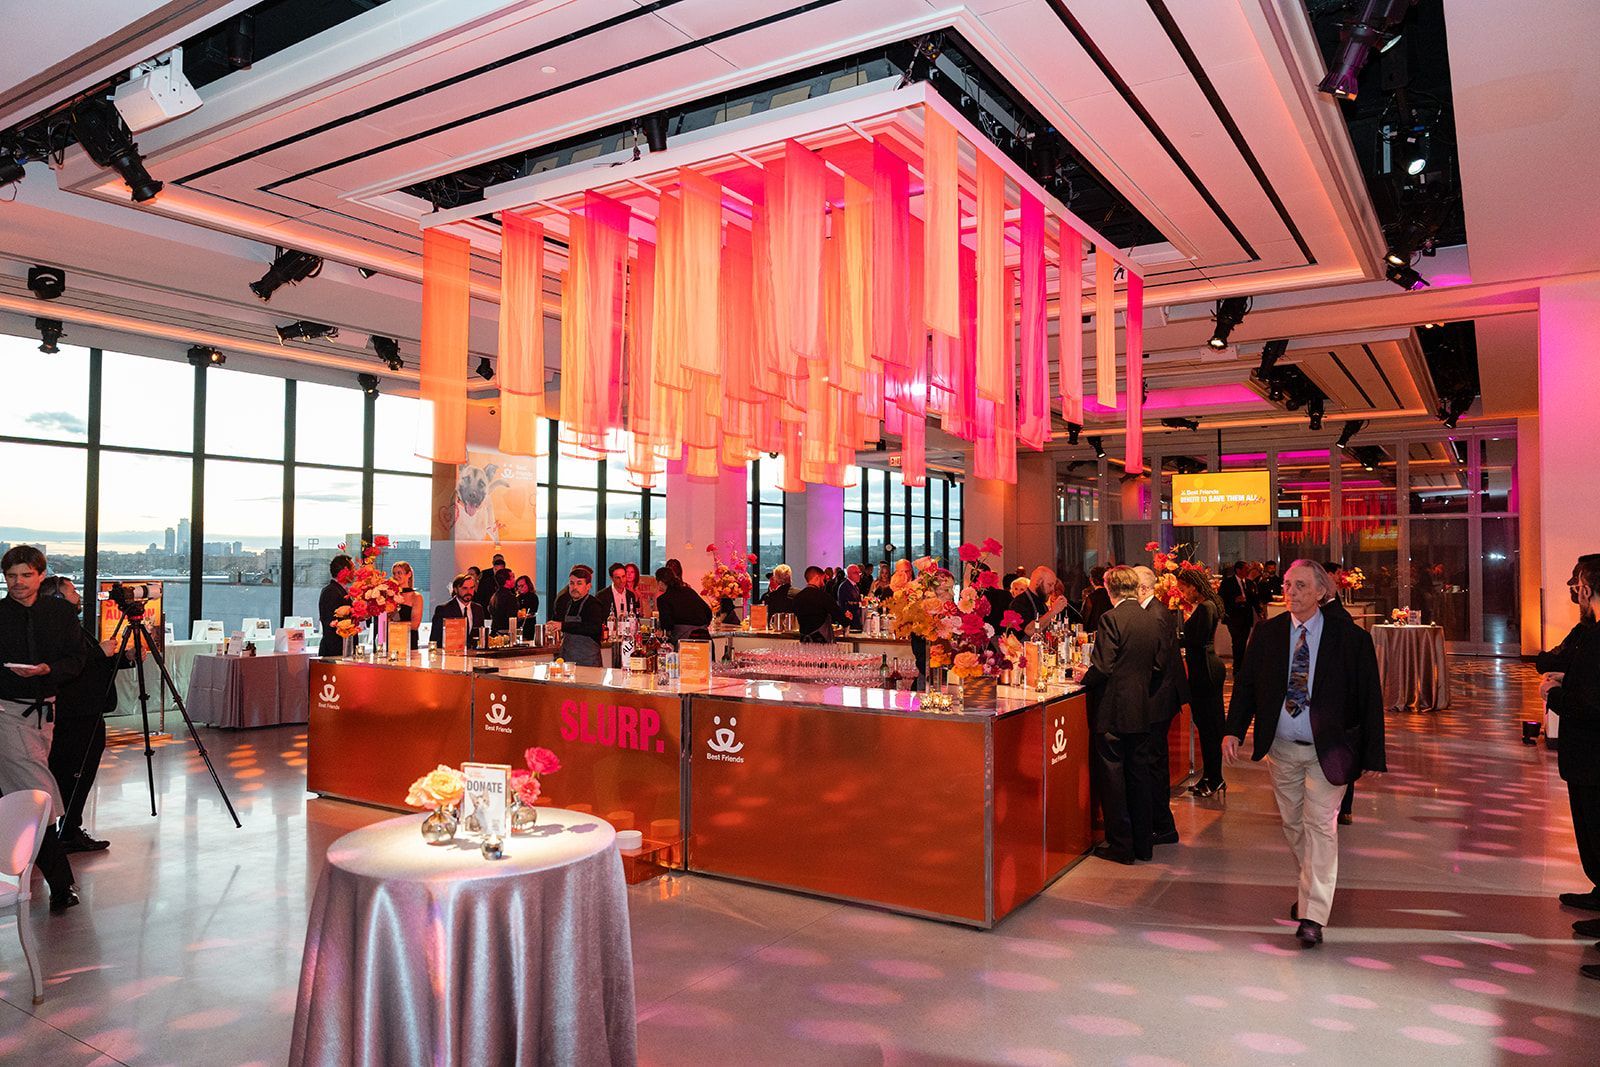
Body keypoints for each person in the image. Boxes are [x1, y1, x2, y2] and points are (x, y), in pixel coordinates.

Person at [1223, 559, 1385, 948]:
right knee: (1293, 825)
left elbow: (1369, 699)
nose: (1290, 592)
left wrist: (1374, 754)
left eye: (1299, 586)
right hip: (1281, 749)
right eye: (1287, 584)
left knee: (1320, 827)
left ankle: (1313, 915)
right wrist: (1233, 730)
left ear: (1320, 592)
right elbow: (1246, 685)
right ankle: (1310, 887)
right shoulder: (1268, 633)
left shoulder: (1349, 638)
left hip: (1328, 750)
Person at [0, 545, 86, 911]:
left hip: (43, 715)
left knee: (19, 794)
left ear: (40, 574)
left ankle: (31, 879)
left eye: (25, 575)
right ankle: (61, 884)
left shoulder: (61, 614)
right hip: (6, 711)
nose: (17, 583)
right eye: (11, 576)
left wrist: (47, 670)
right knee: (36, 794)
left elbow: (77, 659)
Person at [1075, 565, 1170, 864]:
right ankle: (1143, 845)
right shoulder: (1150, 617)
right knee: (1139, 778)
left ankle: (1120, 846)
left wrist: (1082, 677)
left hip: (1113, 710)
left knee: (1114, 780)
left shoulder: (1111, 619)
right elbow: (1158, 665)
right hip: (1142, 708)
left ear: (1110, 588)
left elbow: (1102, 667)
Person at [1542, 556, 1600, 944]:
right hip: (1587, 756)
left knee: (1596, 830)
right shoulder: (1590, 632)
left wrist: (1556, 692)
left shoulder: (1595, 634)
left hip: (1593, 756)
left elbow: (1591, 704)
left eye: (1578, 582)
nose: (1574, 589)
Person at [40, 576, 120, 854]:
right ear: (58, 599)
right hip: (74, 714)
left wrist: (125, 658)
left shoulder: (73, 626)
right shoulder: (54, 629)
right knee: (71, 773)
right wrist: (99, 653)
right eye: (72, 591)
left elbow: (90, 663)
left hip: (88, 710)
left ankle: (69, 827)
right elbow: (69, 667)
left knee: (80, 774)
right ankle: (64, 831)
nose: (78, 596)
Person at [1134, 566, 1189, 848]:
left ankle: (1162, 825)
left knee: (1154, 764)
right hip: (1162, 697)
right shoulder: (1156, 612)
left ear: (1143, 589)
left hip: (1158, 698)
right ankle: (1159, 822)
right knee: (1155, 762)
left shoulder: (1154, 615)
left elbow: (1156, 663)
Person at [1176, 568, 1227, 799]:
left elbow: (1196, 639)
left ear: (1194, 587)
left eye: (1184, 588)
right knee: (1207, 728)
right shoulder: (1206, 606)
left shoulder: (1206, 607)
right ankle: (1211, 776)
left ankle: (1214, 778)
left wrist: (1174, 638)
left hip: (1205, 671)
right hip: (1203, 668)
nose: (1183, 593)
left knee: (1209, 729)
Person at [550, 565, 606, 667]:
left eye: (579, 583)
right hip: (567, 660)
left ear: (588, 586)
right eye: (572, 583)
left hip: (589, 662)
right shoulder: (566, 603)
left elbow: (593, 628)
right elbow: (558, 621)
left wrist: (563, 626)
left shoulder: (593, 604)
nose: (574, 587)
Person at [655, 566, 712, 644]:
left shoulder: (663, 599)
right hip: (704, 638)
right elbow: (708, 612)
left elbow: (667, 625)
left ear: (660, 582)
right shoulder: (689, 591)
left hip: (685, 642)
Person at [1009, 566, 1071, 636]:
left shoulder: (1041, 602)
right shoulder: (1019, 602)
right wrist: (1053, 611)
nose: (1052, 589)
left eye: (1053, 585)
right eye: (1050, 585)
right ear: (1038, 582)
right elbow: (1030, 631)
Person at [429, 572, 485, 649]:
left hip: (473, 657)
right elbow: (434, 639)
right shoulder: (443, 610)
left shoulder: (478, 609)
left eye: (472, 588)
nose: (469, 592)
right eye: (464, 588)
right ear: (455, 589)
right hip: (450, 656)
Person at [791, 566, 845, 643]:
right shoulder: (823, 597)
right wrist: (847, 618)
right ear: (817, 577)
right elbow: (841, 618)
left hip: (804, 642)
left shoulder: (797, 597)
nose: (823, 583)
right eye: (822, 580)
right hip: (822, 642)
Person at [1219, 561, 1254, 672]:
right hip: (1233, 617)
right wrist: (1234, 600)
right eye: (1245, 569)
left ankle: (1241, 665)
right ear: (1238, 570)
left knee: (1243, 641)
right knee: (1237, 641)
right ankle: (1238, 667)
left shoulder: (1249, 583)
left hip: (1246, 617)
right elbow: (1221, 599)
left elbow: (1253, 599)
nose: (1247, 571)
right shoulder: (1227, 583)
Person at [317, 554, 354, 657]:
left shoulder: (341, 590)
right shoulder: (331, 591)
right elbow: (329, 621)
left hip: (343, 646)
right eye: (353, 569)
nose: (354, 573)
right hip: (335, 648)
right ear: (345, 570)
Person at [390, 561, 423, 649]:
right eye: (394, 573)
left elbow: (415, 624)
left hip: (409, 640)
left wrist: (396, 627)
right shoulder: (389, 595)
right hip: (391, 638)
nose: (396, 576)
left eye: (399, 573)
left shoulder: (416, 596)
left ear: (409, 574)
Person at [1081, 566, 1113, 634]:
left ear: (1091, 580)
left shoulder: (1091, 597)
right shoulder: (1111, 595)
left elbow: (1084, 619)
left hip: (1094, 633)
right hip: (1109, 631)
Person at [513, 576, 541, 640]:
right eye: (518, 586)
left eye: (522, 586)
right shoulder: (517, 598)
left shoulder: (533, 597)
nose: (520, 588)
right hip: (518, 626)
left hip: (528, 626)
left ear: (528, 585)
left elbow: (533, 611)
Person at [837, 564, 864, 631]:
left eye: (859, 572)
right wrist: (860, 604)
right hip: (850, 621)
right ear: (849, 574)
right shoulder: (844, 586)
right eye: (855, 573)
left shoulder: (855, 586)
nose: (858, 575)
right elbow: (846, 603)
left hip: (856, 619)